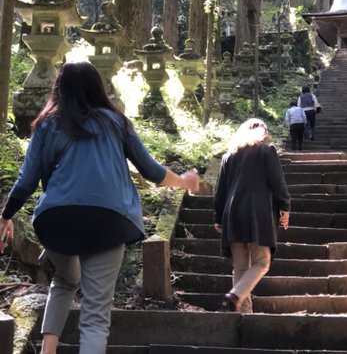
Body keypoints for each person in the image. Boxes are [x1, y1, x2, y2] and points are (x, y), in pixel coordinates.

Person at [0, 61, 200, 354]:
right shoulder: (116, 122)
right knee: (95, 312)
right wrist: (183, 181)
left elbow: (27, 180)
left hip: (56, 220)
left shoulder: (47, 124)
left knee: (66, 279)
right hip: (109, 220)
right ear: (98, 87)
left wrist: (6, 216)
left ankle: (48, 350)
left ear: (60, 88)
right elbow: (151, 171)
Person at [213, 118, 290, 313]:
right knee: (262, 262)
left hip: (233, 215)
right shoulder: (266, 151)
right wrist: (285, 206)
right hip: (259, 214)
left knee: (240, 267)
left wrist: (218, 217)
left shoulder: (229, 156)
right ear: (263, 133)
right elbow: (277, 182)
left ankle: (243, 315)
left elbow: (220, 190)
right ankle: (235, 295)